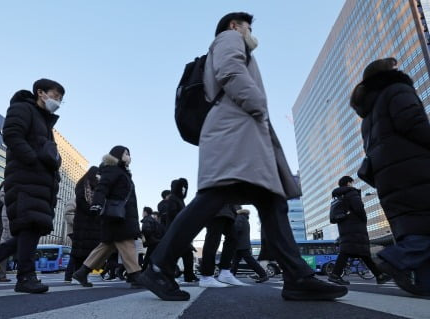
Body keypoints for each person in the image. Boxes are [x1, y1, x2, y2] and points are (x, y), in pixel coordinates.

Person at [139, 12, 347, 301]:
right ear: (235, 25)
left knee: (272, 202)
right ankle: (159, 266)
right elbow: (231, 71)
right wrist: (258, 104)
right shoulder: (230, 38)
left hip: (240, 131)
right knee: (214, 197)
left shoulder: (234, 41)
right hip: (236, 129)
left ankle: (298, 276)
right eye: (248, 26)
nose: (251, 31)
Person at [349, 58, 430, 296]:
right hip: (418, 169)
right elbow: (412, 122)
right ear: (389, 74)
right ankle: (395, 258)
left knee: (419, 225)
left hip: (390, 175)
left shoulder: (368, 114)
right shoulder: (396, 90)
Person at [0, 79, 65, 294]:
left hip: (39, 181)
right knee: (29, 225)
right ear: (40, 93)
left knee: (31, 229)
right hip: (26, 177)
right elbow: (12, 135)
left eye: (61, 99)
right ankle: (25, 277)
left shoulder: (44, 122)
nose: (58, 101)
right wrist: (33, 160)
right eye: (55, 96)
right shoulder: (23, 108)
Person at [72, 146, 142, 288]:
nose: (129, 157)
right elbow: (102, 187)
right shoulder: (114, 170)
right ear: (118, 155)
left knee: (107, 246)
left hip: (119, 215)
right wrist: (96, 204)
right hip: (117, 216)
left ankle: (82, 272)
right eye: (126, 154)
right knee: (125, 242)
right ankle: (136, 275)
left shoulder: (122, 172)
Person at [326, 176, 390, 286]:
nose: (352, 184)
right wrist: (363, 220)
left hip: (344, 227)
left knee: (361, 252)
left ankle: (379, 275)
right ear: (348, 183)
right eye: (351, 182)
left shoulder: (338, 197)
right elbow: (359, 208)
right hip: (355, 226)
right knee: (350, 251)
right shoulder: (351, 193)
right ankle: (335, 275)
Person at [160, 178, 198, 282]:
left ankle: (188, 275)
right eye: (181, 188)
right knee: (178, 255)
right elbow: (172, 213)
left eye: (184, 188)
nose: (183, 190)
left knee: (186, 254)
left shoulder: (179, 199)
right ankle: (170, 276)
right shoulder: (173, 199)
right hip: (175, 231)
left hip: (179, 231)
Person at [199, 205, 246, 287]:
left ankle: (224, 272)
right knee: (213, 239)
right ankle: (206, 276)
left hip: (229, 211)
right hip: (215, 208)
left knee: (233, 238)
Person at [68, 166, 101, 281]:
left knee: (89, 251)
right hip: (82, 222)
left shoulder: (97, 187)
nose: (98, 177)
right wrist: (91, 210)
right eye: (97, 174)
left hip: (93, 224)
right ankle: (77, 274)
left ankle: (82, 275)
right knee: (79, 251)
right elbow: (81, 201)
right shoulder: (82, 185)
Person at [231, 208, 268, 283]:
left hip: (240, 244)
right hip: (242, 244)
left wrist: (230, 233)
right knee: (235, 262)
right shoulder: (245, 218)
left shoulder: (239, 217)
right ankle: (231, 277)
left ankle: (263, 275)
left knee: (249, 261)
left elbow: (237, 228)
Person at [62, 194, 77, 282]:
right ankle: (69, 275)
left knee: (77, 252)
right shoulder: (74, 200)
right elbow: (68, 213)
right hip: (74, 230)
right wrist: (79, 223)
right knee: (76, 252)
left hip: (80, 230)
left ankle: (72, 274)